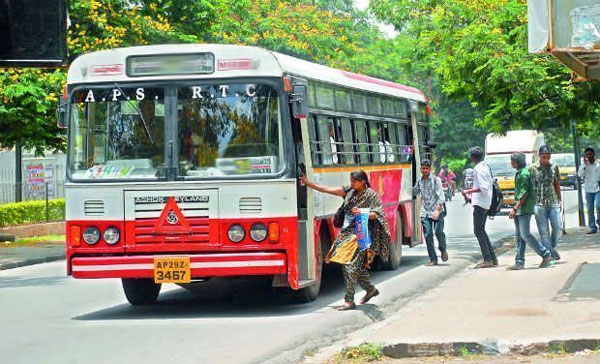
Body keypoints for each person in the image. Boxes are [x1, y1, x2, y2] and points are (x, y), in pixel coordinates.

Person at [300, 170, 392, 311]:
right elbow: (327, 190)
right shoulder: (349, 191)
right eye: (351, 181)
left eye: (354, 181)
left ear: (362, 181)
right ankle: (370, 289)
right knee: (348, 263)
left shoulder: (371, 195)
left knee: (349, 265)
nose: (352, 183)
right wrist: (308, 183)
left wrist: (362, 212)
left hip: (361, 232)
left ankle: (349, 300)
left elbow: (379, 214)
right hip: (346, 233)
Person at [507, 153, 552, 270]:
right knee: (519, 236)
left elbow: (524, 193)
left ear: (516, 162)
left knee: (525, 235)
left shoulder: (524, 174)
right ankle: (519, 261)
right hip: (520, 208)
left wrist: (515, 208)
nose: (511, 163)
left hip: (524, 209)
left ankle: (545, 254)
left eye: (512, 161)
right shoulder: (520, 173)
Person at [461, 146, 498, 268]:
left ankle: (487, 259)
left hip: (481, 204)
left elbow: (483, 188)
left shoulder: (478, 169)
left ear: (472, 158)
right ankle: (492, 258)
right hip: (484, 202)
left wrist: (468, 191)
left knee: (478, 231)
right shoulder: (485, 166)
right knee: (481, 231)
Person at [530, 145, 562, 260]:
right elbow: (529, 186)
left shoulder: (554, 167)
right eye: (544, 157)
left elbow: (556, 183)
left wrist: (560, 199)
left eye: (548, 157)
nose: (546, 160)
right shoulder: (532, 169)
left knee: (557, 226)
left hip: (552, 202)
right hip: (538, 204)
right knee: (543, 231)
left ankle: (551, 248)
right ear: (539, 156)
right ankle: (550, 255)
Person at [414, 159, 448, 266]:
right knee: (428, 235)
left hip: (437, 210)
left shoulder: (435, 180)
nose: (425, 170)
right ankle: (433, 259)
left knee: (438, 232)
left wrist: (437, 211)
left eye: (427, 168)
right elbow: (415, 192)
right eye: (423, 168)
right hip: (425, 211)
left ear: (430, 169)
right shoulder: (419, 181)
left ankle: (443, 249)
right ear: (420, 169)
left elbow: (441, 196)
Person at [578, 147, 600, 234]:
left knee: (598, 205)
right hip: (588, 189)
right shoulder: (583, 166)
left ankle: (599, 221)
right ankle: (592, 227)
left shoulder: (598, 165)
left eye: (590, 154)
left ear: (593, 154)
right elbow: (580, 175)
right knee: (590, 209)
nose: (589, 156)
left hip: (597, 189)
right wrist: (584, 164)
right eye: (587, 154)